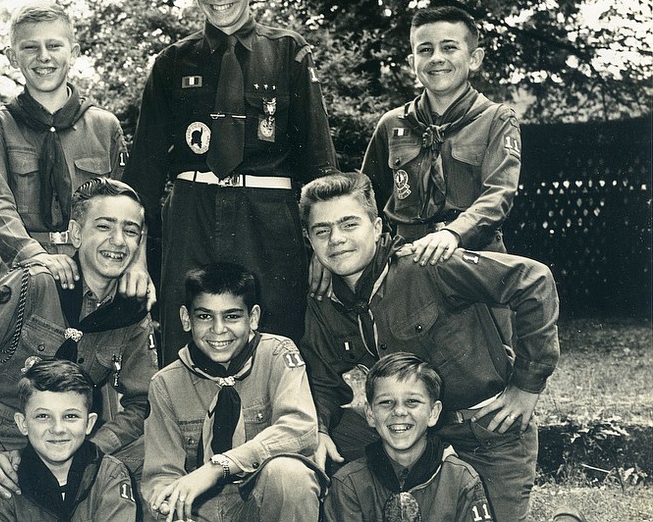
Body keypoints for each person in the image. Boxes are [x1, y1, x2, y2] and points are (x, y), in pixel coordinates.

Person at [122, 0, 337, 364]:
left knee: (275, 337)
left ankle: (276, 430)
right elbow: (143, 171)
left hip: (267, 220)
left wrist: (324, 249)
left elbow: (318, 163)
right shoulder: (171, 63)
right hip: (191, 214)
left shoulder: (289, 53)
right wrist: (136, 257)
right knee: (186, 337)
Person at [299, 172, 560, 522]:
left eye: (349, 224)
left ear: (377, 228)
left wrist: (526, 386)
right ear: (309, 239)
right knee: (326, 447)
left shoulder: (425, 265)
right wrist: (319, 431)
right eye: (322, 230)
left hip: (482, 429)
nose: (337, 240)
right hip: (406, 431)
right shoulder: (325, 300)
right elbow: (322, 376)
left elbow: (533, 281)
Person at [0, 178, 159, 522]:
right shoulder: (33, 284)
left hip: (62, 441)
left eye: (130, 231)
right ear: (77, 234)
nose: (117, 241)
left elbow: (143, 401)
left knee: (154, 464)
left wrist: (96, 446)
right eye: (104, 226)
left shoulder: (130, 313)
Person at [0, 0, 150, 304]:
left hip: (95, 270)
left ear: (74, 53)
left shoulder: (104, 126)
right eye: (30, 47)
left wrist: (137, 264)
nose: (43, 57)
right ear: (12, 57)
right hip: (22, 272)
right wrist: (36, 256)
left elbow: (130, 208)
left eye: (54, 46)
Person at [141, 263, 325, 522]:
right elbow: (160, 475)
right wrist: (167, 505)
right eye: (204, 316)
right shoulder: (166, 384)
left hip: (260, 506)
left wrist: (219, 467)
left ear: (253, 318)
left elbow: (300, 428)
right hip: (201, 513)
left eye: (232, 316)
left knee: (290, 474)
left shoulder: (277, 355)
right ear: (186, 318)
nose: (218, 329)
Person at [360, 5, 522, 266]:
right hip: (406, 261)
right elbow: (365, 200)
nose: (436, 58)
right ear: (413, 63)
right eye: (425, 49)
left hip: (476, 259)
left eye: (449, 47)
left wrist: (453, 233)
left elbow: (499, 194)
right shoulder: (392, 124)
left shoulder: (496, 119)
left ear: (474, 58)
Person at [324, 352, 493, 522]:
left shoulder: (461, 479)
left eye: (412, 401)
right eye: (386, 402)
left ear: (433, 413)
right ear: (370, 413)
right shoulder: (349, 483)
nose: (399, 411)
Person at [0, 358, 137, 521]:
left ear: (89, 424)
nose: (58, 429)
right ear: (23, 423)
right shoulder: (5, 480)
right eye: (43, 416)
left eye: (70, 416)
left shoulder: (109, 474)